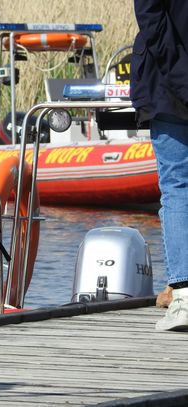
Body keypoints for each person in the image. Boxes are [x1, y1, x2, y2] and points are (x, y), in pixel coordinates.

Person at [130, 0, 188, 331]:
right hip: (170, 85)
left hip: (168, 85)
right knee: (178, 185)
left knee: (177, 186)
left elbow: (153, 21)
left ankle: (183, 296)